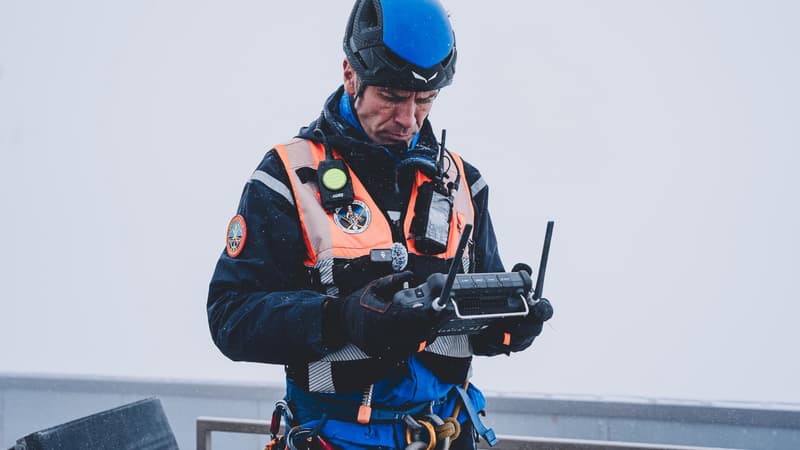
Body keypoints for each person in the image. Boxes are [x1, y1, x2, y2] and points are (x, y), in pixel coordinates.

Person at [207, 0, 553, 448]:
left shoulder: (465, 183)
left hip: (447, 432)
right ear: (350, 74)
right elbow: (230, 318)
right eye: (391, 96)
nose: (409, 120)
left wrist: (507, 326)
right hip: (335, 436)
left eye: (425, 100)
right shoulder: (286, 177)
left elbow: (470, 324)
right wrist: (341, 319)